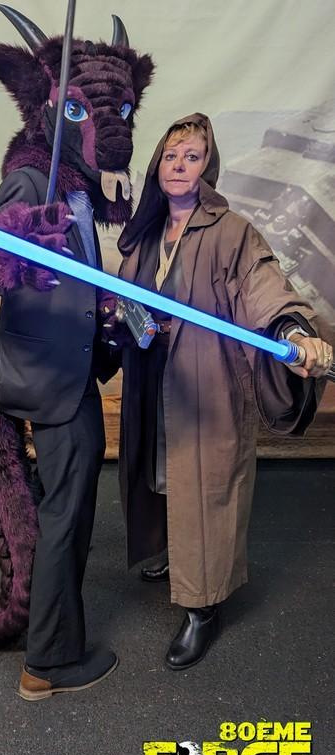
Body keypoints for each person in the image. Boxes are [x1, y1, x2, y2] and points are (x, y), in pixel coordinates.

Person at [0, 7, 154, 700]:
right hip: (39, 379)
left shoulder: (79, 189)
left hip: (55, 368)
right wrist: (8, 247)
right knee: (66, 513)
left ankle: (38, 628)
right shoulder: (33, 186)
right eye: (81, 111)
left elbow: (72, 283)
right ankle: (50, 662)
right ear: (49, 112)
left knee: (62, 508)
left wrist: (111, 311)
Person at [113, 113, 333, 670]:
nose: (179, 165)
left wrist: (293, 334)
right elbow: (127, 298)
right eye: (171, 155)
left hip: (206, 382)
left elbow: (265, 286)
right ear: (157, 166)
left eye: (192, 156)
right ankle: (179, 555)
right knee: (161, 472)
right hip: (154, 380)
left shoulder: (232, 232)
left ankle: (202, 606)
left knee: (206, 486)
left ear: (207, 168)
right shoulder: (146, 235)